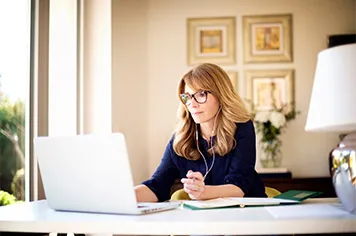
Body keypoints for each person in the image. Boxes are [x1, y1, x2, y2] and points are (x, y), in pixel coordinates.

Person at [134, 63, 266, 202]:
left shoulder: (242, 128)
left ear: (220, 95)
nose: (193, 103)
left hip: (248, 211)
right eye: (187, 97)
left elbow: (238, 187)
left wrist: (203, 192)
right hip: (205, 217)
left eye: (201, 94)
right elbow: (157, 185)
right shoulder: (181, 138)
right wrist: (125, 196)